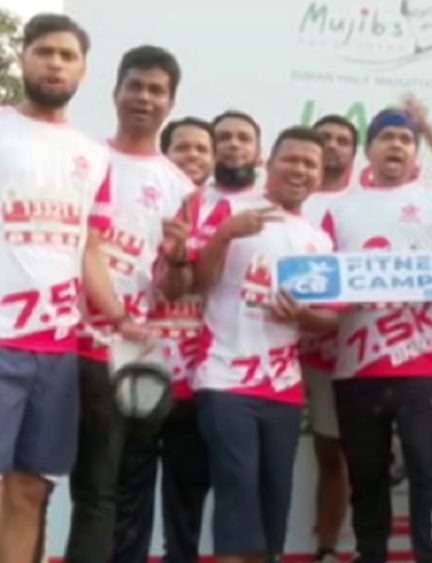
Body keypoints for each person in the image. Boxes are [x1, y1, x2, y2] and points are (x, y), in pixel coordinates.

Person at [0, 14, 149, 563]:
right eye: (44, 52)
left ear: (84, 69)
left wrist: (121, 318)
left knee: (30, 488)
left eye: (67, 56)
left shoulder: (94, 156)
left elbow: (91, 252)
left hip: (57, 351)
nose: (55, 64)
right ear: (24, 59)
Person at [323, 108, 432, 563]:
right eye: (386, 137)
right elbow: (324, 282)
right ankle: (371, 554)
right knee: (366, 475)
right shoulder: (339, 208)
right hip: (356, 367)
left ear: (416, 152)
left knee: (429, 469)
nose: (396, 146)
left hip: (423, 366)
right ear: (368, 149)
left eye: (406, 140)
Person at [63, 45, 194, 563]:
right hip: (56, 339)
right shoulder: (82, 158)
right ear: (116, 91)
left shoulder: (180, 187)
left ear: (170, 102)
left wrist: (178, 258)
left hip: (121, 354)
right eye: (135, 85)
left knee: (103, 490)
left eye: (156, 90)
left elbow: (172, 288)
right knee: (32, 481)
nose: (144, 97)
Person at [190, 126, 340, 563]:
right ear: (268, 164)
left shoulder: (319, 239)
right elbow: (197, 283)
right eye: (290, 160)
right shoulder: (230, 210)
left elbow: (330, 318)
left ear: (319, 175)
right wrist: (224, 235)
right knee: (237, 497)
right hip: (224, 378)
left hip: (283, 388)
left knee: (273, 504)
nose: (300, 170)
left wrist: (303, 316)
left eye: (309, 164)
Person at [111, 116, 215, 563]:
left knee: (187, 497)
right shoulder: (134, 210)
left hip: (195, 379)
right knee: (128, 492)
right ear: (165, 155)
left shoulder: (226, 217)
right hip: (139, 369)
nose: (193, 156)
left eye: (202, 149)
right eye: (182, 147)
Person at [301, 113, 358, 563]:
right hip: (271, 344)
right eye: (326, 138)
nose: (333, 146)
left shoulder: (362, 203)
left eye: (343, 140)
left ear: (356, 153)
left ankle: (327, 548)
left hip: (337, 347)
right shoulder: (287, 198)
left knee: (332, 451)